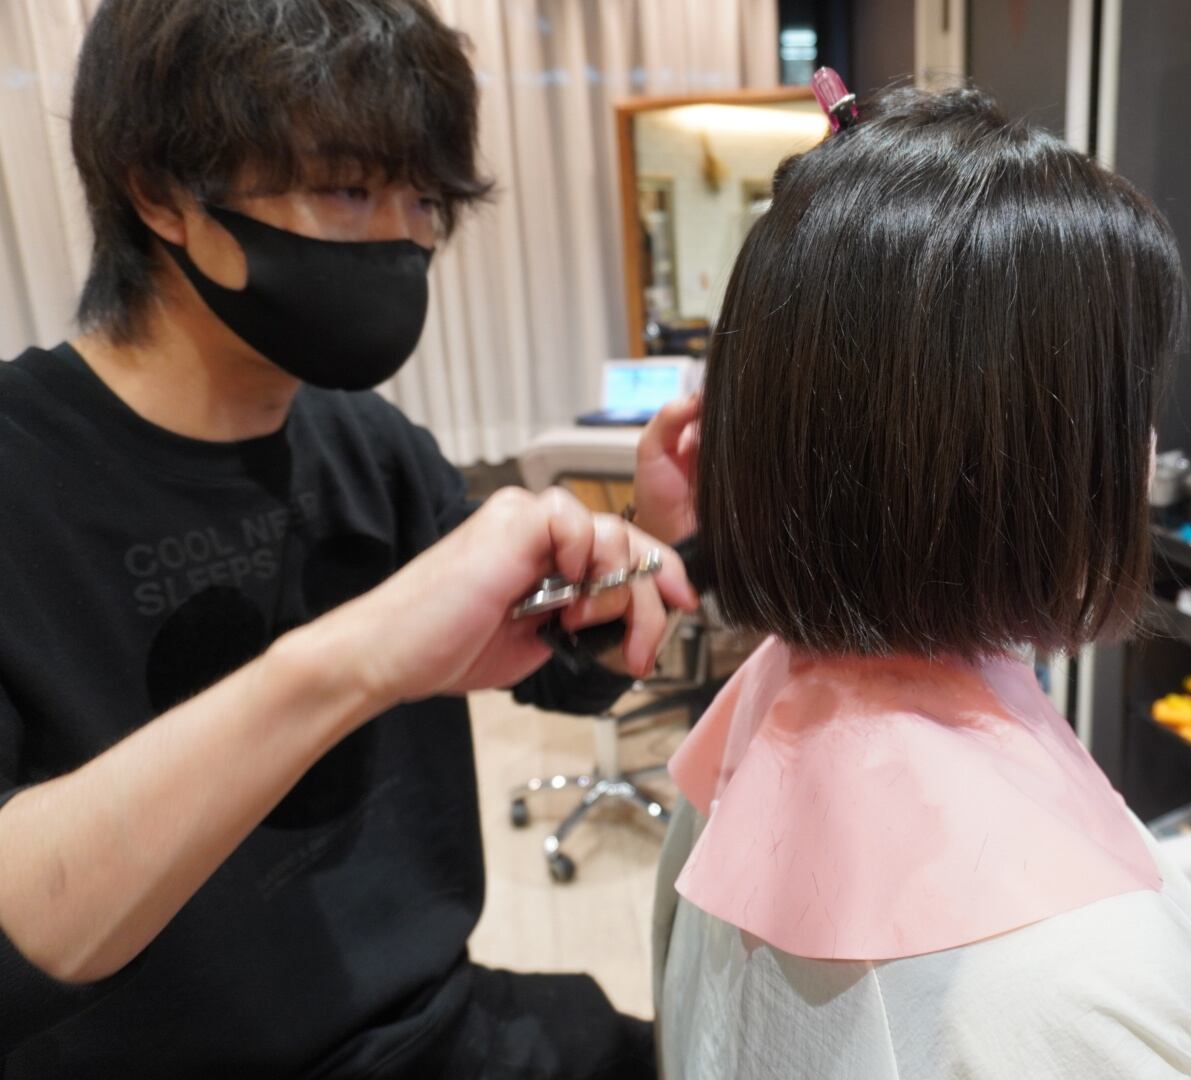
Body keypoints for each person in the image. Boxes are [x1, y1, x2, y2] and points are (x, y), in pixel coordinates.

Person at [0, 1, 701, 1076]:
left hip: (436, 1025)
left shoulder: (368, 448)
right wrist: (353, 660)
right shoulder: (23, 480)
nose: (401, 241)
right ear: (160, 192)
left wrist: (645, 543)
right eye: (344, 190)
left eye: (423, 202)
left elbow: (555, 671)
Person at [651, 85, 1191, 1079]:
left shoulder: (771, 700)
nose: (1145, 452)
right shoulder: (1071, 996)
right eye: (1127, 407)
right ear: (1005, 459)